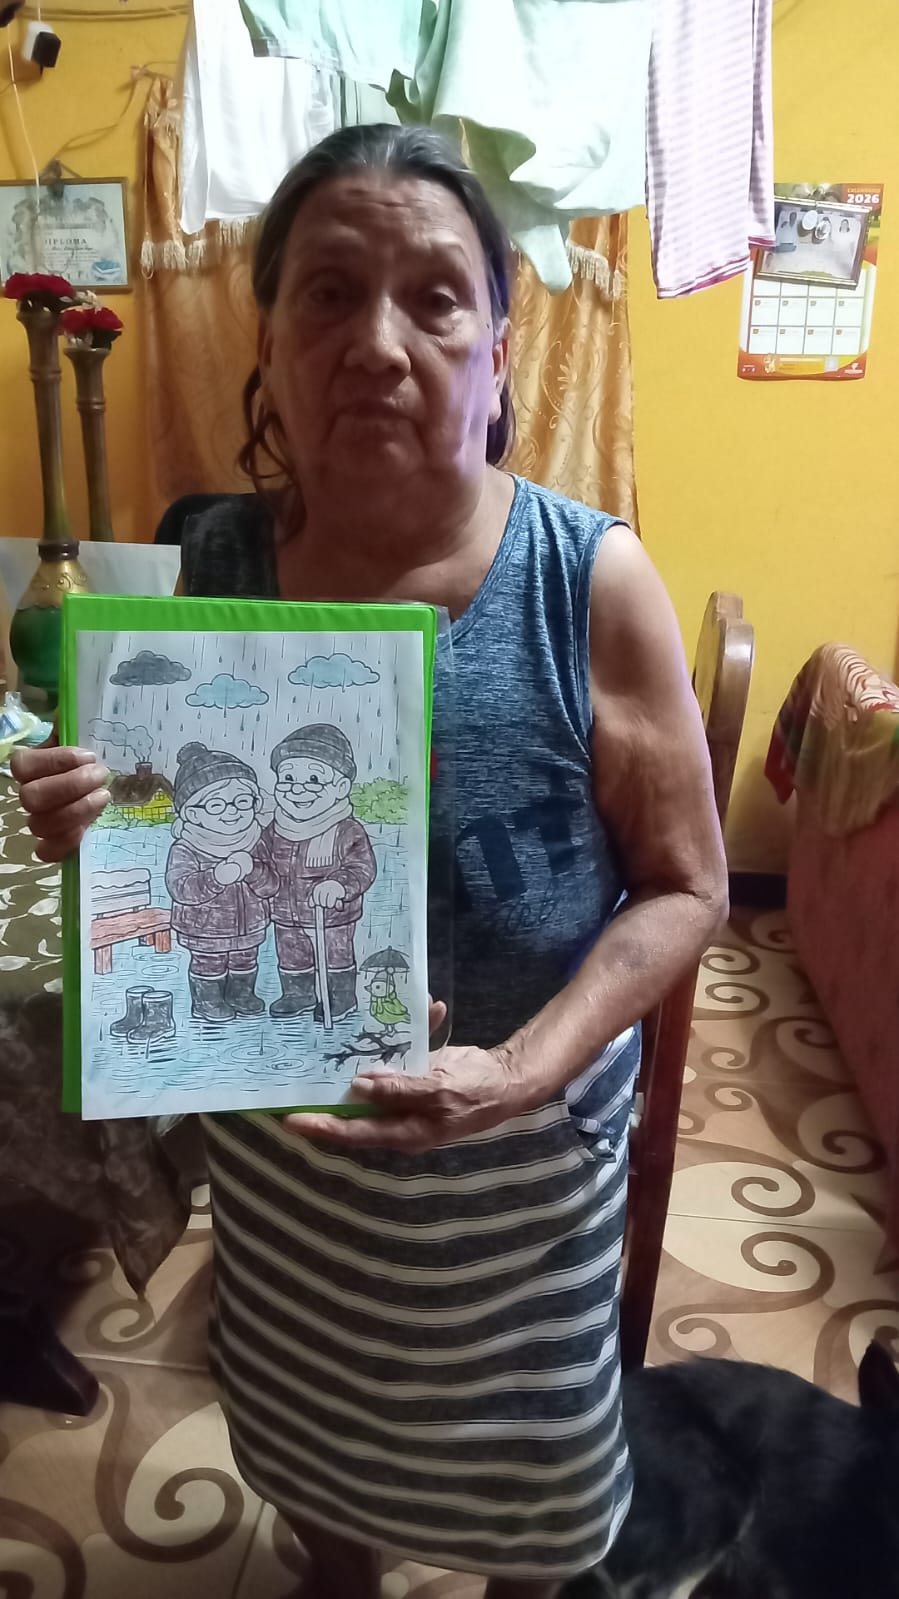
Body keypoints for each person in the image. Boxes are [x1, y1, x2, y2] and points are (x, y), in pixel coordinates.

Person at [12, 125, 728, 1599]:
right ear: (268, 345)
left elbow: (686, 887)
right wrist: (102, 827)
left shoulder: (586, 579)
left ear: (499, 349)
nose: (379, 344)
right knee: (311, 1444)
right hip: (295, 1186)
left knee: (531, 1497)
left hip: (517, 1180)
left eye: (434, 297)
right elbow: (180, 858)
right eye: (329, 294)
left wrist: (517, 1069)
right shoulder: (211, 565)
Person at [267, 723, 377, 1021]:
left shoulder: (346, 829)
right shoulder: (276, 828)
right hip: (285, 912)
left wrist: (339, 885)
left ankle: (339, 998)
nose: (297, 789)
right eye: (288, 778)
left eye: (314, 779)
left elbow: (361, 867)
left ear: (340, 788)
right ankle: (297, 994)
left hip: (332, 916)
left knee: (334, 954)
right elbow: (261, 859)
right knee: (292, 954)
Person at [165, 742, 278, 1021]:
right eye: (216, 804)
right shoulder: (187, 847)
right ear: (192, 813)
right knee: (209, 963)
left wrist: (253, 870)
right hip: (204, 929)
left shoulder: (256, 840)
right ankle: (208, 1001)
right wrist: (216, 878)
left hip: (250, 923)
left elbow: (271, 885)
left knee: (245, 959)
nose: (232, 811)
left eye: (242, 801)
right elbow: (181, 888)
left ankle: (241, 994)